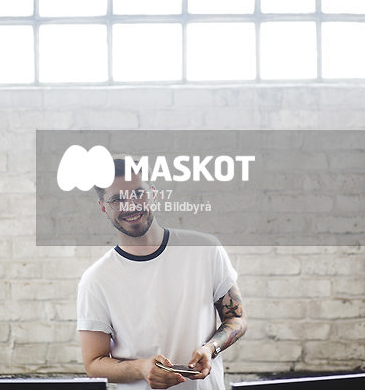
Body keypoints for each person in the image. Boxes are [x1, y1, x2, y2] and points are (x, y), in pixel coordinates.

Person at [77, 158, 247, 389]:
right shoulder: (95, 279)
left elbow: (236, 318)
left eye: (138, 193)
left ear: (154, 194)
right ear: (104, 207)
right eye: (117, 199)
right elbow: (93, 364)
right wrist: (141, 368)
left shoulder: (205, 248)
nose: (131, 206)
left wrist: (211, 348)